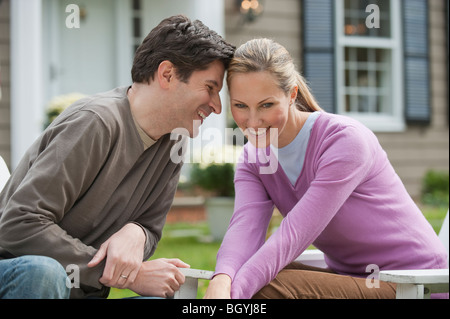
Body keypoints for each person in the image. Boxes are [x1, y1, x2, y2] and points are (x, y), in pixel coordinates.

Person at [0, 15, 235, 299]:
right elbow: (18, 224)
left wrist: (137, 232)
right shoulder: (95, 122)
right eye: (210, 88)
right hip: (21, 276)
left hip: (81, 292)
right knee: (44, 272)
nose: (217, 106)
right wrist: (129, 275)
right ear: (167, 75)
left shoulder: (174, 143)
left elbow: (150, 229)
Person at [204, 38, 447, 299]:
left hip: (417, 284)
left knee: (263, 286)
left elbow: (294, 234)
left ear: (292, 94)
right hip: (352, 280)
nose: (252, 121)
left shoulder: (344, 141)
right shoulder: (254, 159)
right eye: (241, 106)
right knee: (243, 275)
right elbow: (244, 229)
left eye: (266, 105)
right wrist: (222, 279)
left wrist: (229, 299)